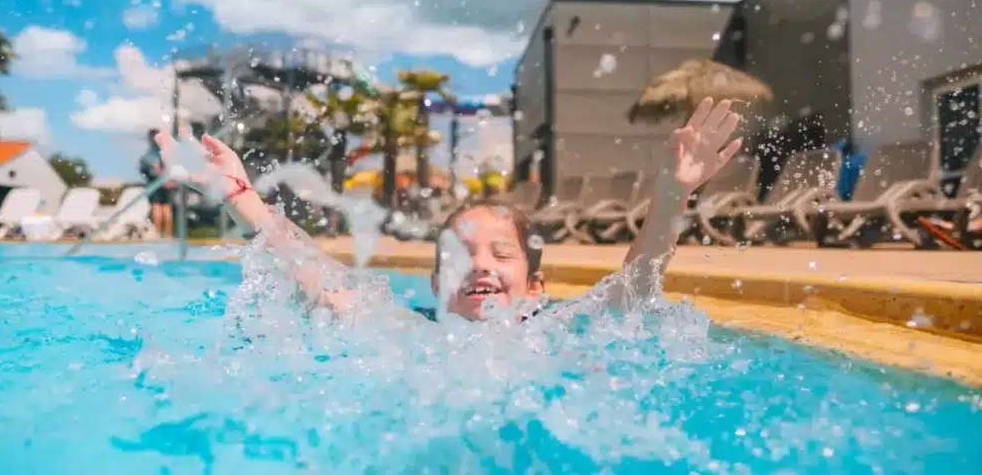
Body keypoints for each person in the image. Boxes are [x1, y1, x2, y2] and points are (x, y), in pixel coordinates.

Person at [154, 98, 743, 320]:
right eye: (461, 257)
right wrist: (242, 199)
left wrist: (672, 196)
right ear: (437, 285)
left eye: (500, 253)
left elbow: (635, 289)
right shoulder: (408, 333)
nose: (481, 265)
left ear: (535, 286)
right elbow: (319, 278)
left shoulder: (557, 332)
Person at [139, 128, 178, 238]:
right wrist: (170, 180)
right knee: (167, 208)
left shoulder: (151, 152)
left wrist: (163, 179)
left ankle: (157, 233)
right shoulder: (165, 152)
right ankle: (168, 234)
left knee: (157, 207)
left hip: (156, 183)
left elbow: (154, 167)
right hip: (166, 183)